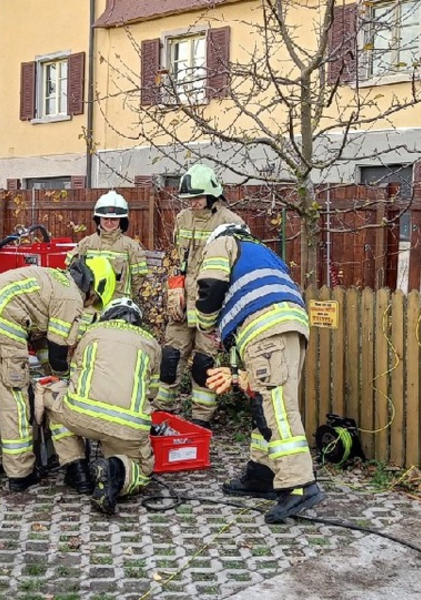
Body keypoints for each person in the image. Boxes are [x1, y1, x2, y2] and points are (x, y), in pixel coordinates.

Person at [194, 222, 324, 523]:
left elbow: (211, 286)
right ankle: (262, 472)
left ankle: (299, 484)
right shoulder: (263, 252)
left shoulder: (223, 243)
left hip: (264, 329)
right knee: (264, 400)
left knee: (277, 407)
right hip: (287, 325)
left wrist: (205, 323)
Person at [0, 257, 116, 493]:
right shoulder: (71, 296)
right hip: (3, 326)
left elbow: (42, 342)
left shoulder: (52, 280)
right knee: (15, 402)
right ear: (93, 288)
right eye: (94, 300)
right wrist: (63, 381)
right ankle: (20, 473)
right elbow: (58, 351)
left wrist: (49, 372)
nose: (89, 304)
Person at [34, 297, 170, 515]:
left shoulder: (91, 333)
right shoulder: (152, 344)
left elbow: (73, 375)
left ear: (107, 316)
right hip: (127, 428)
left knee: (52, 400)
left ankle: (77, 469)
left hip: (81, 416)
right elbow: (152, 392)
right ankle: (114, 469)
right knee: (142, 472)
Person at [155, 164, 246, 428]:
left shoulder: (231, 223)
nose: (192, 203)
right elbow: (176, 258)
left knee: (204, 364)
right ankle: (160, 412)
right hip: (182, 306)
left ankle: (201, 419)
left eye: (197, 197)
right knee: (170, 358)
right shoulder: (183, 219)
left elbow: (237, 268)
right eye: (189, 199)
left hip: (211, 306)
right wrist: (174, 286)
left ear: (212, 194)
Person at [66, 191, 149, 333]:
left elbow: (138, 281)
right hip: (88, 311)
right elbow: (71, 273)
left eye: (114, 219)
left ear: (122, 221)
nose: (109, 223)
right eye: (105, 218)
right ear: (98, 219)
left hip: (118, 311)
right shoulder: (86, 244)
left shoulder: (131, 247)